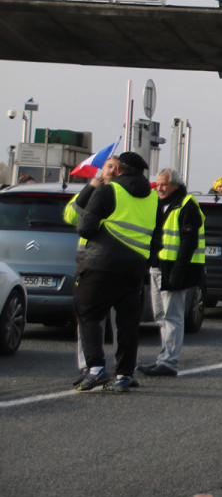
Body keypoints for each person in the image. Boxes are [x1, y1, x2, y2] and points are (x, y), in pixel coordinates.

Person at [73, 152, 158, 392]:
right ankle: (123, 376)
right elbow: (157, 238)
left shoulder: (108, 191)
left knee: (87, 314)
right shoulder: (152, 198)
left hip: (101, 265)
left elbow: (85, 228)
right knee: (128, 324)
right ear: (142, 173)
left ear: (119, 170)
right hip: (134, 269)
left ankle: (97, 369)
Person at [140, 168, 205, 377]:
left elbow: (189, 242)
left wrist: (179, 270)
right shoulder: (158, 204)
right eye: (158, 184)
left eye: (164, 184)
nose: (159, 187)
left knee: (172, 316)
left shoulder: (187, 205)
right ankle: (163, 357)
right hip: (158, 267)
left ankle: (169, 362)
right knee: (160, 315)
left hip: (176, 269)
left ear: (175, 185)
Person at [63, 155, 120, 385]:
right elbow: (69, 216)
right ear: (101, 169)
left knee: (119, 320)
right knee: (87, 318)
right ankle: (88, 365)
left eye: (117, 168)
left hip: (117, 263)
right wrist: (89, 189)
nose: (113, 171)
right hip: (88, 262)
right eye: (109, 166)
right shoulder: (91, 191)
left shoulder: (123, 195)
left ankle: (120, 367)